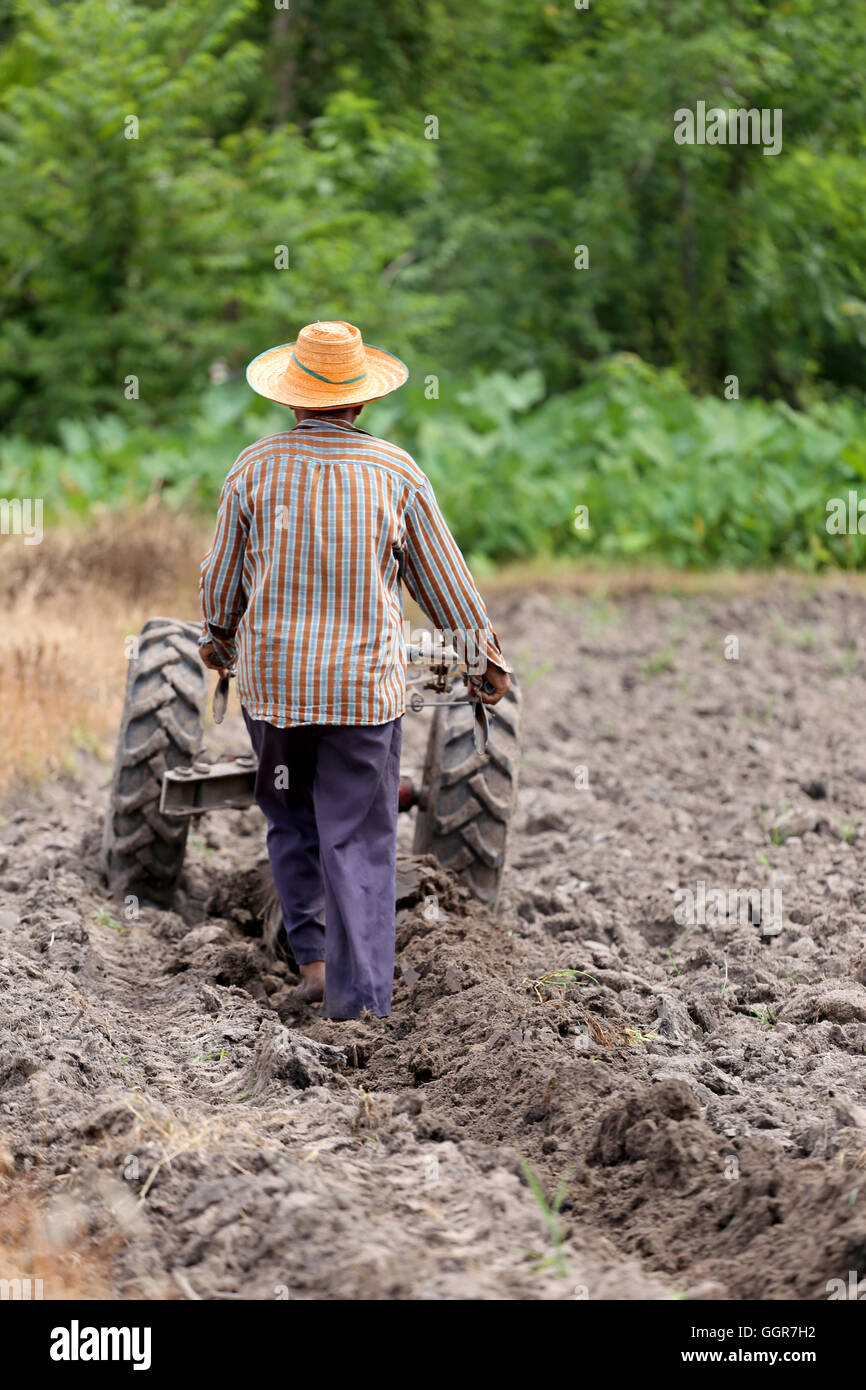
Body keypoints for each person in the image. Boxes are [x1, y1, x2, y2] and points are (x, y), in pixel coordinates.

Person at [198, 320, 510, 1020]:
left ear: (291, 398)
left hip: (275, 692)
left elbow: (221, 582)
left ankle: (311, 961)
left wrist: (219, 640)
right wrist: (483, 657)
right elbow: (443, 582)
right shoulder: (397, 472)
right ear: (362, 401)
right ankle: (360, 1003)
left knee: (289, 816)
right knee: (360, 837)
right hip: (363, 694)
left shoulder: (252, 469)